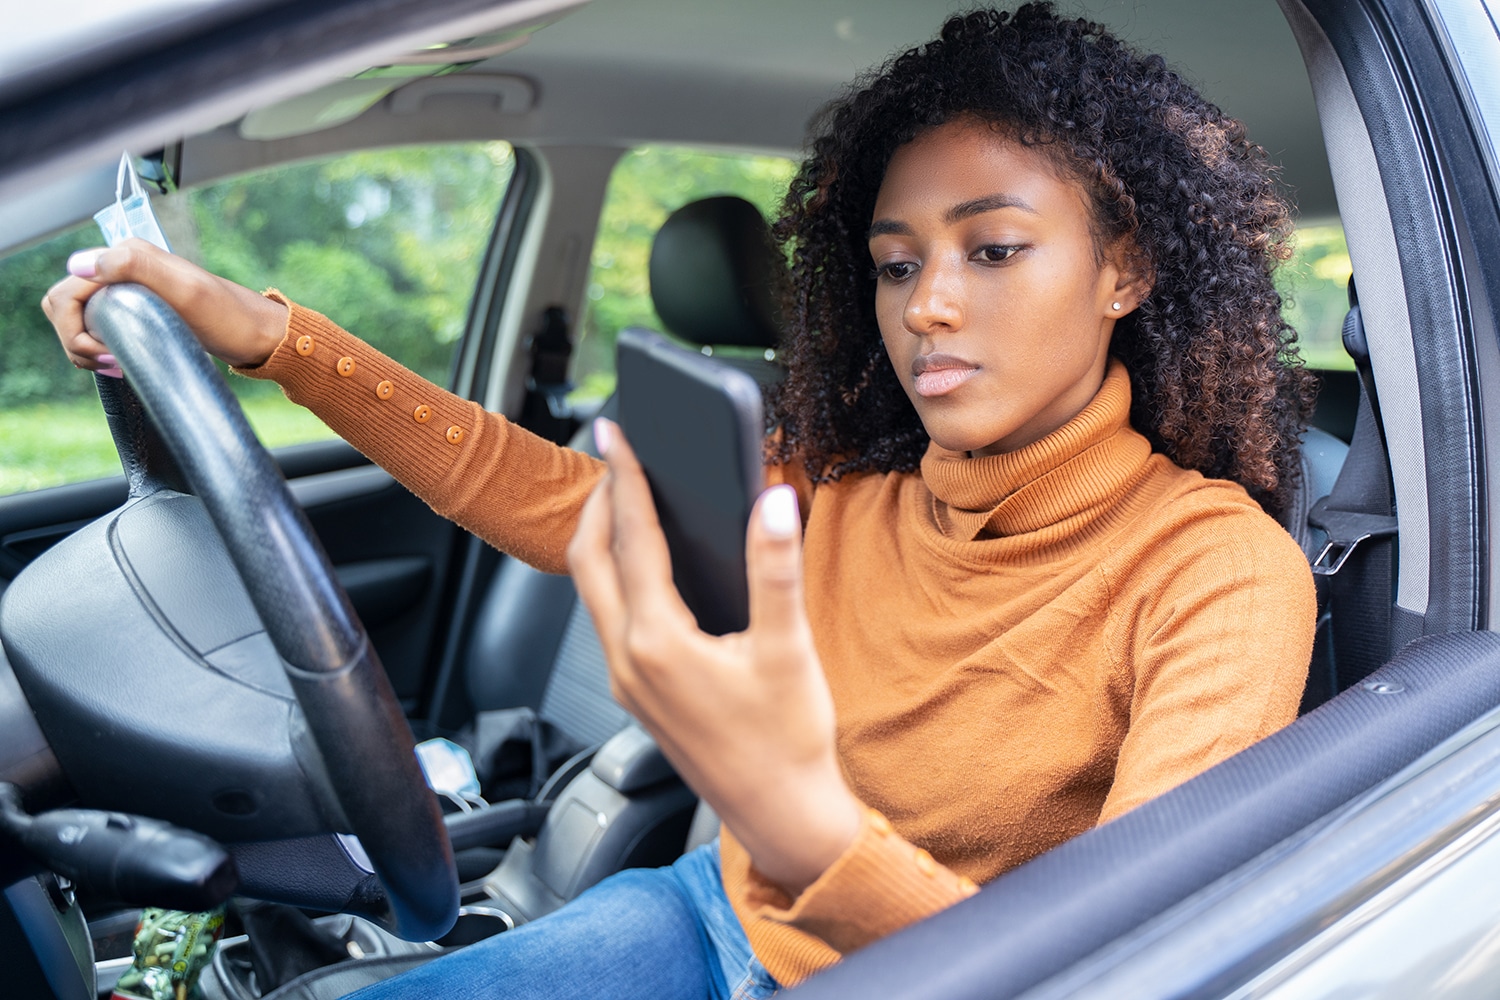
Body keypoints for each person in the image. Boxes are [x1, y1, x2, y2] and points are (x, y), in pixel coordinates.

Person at [43, 5, 1317, 997]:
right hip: (714, 912)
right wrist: (265, 334)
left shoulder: (1218, 573)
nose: (927, 305)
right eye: (894, 262)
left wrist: (807, 830)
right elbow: (542, 495)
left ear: (1126, 270)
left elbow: (1139, 961)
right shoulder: (848, 492)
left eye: (993, 249)